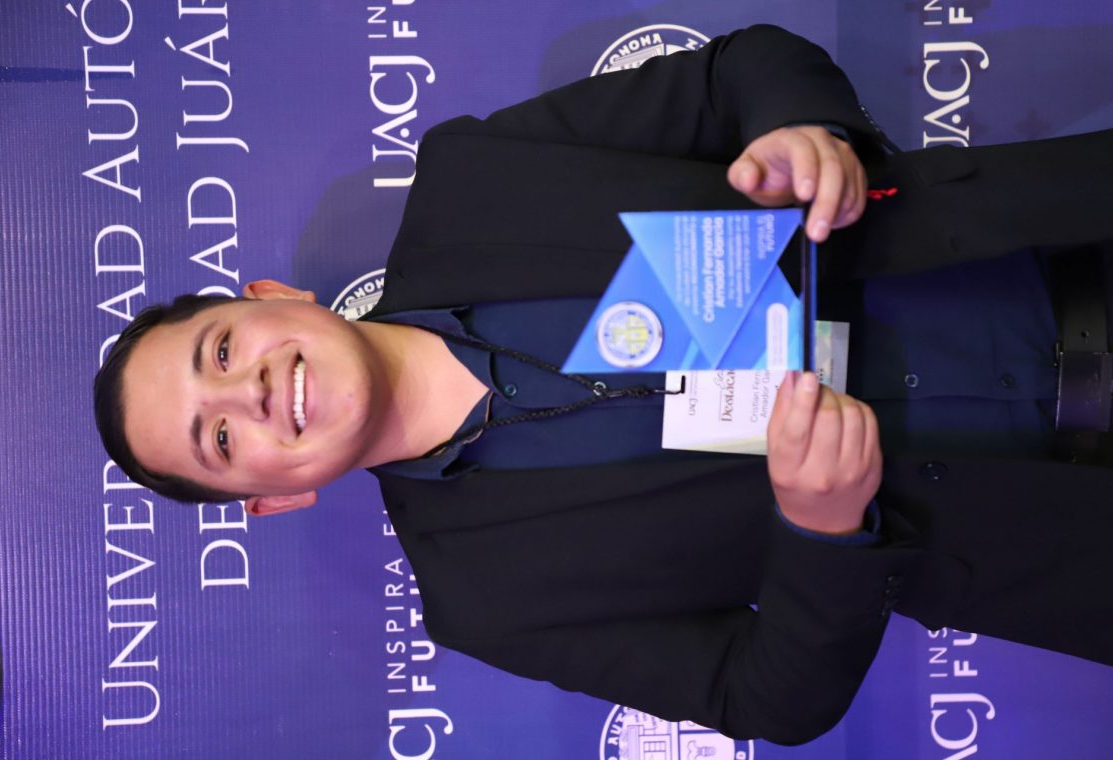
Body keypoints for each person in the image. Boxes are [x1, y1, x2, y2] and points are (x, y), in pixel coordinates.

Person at [94, 25, 1113, 746]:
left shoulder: (470, 180)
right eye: (218, 441)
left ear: (274, 297)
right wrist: (822, 532)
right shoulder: (485, 602)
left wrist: (805, 131)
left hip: (1061, 240)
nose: (249, 396)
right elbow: (767, 699)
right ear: (273, 498)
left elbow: (739, 72)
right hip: (1063, 540)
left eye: (218, 353)